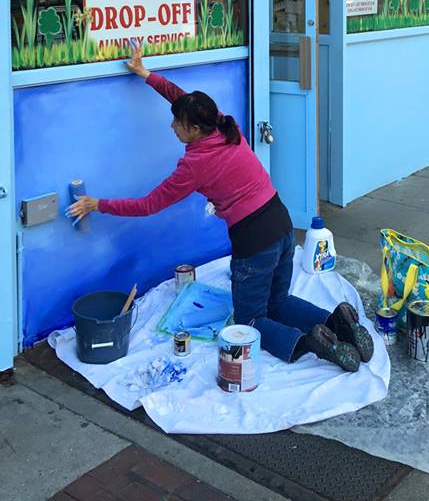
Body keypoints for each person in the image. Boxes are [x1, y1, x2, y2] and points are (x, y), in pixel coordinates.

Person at [69, 47, 374, 371]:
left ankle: (311, 342)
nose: (172, 126)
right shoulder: (222, 126)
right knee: (278, 302)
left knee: (251, 319)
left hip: (254, 241)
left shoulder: (194, 164)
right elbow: (180, 96)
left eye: (178, 123)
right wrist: (146, 75)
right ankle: (337, 321)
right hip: (281, 223)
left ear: (195, 129)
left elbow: (149, 205)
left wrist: (98, 204)